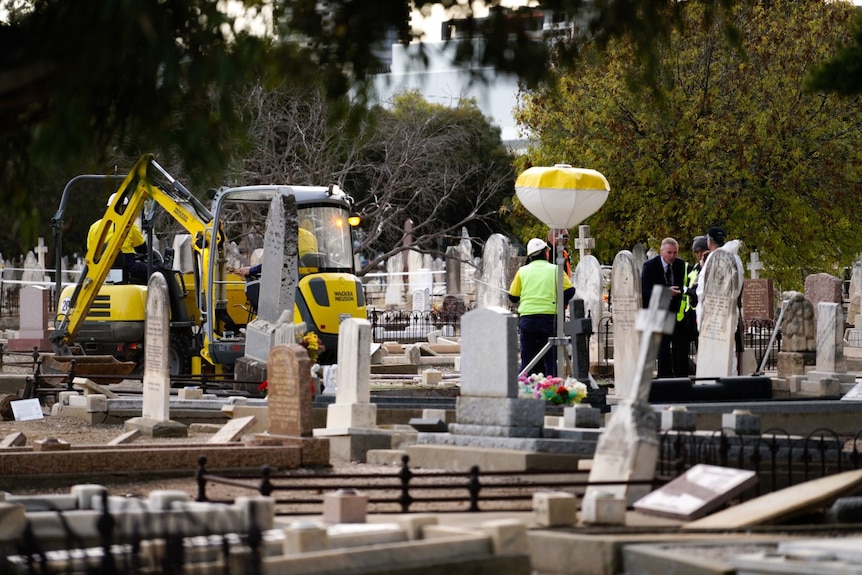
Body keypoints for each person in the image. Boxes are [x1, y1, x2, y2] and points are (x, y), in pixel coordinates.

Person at [508, 238, 575, 377]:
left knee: (527, 359)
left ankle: (524, 389)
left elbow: (513, 297)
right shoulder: (556, 270)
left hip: (528, 320)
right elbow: (569, 291)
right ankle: (553, 387)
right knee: (550, 359)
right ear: (546, 253)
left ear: (530, 255)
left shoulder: (522, 271)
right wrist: (558, 301)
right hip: (550, 319)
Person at [695, 225, 745, 374]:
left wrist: (701, 312)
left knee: (714, 353)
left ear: (709, 241)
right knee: (728, 352)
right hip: (727, 311)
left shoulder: (713, 258)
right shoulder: (735, 258)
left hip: (713, 312)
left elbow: (703, 289)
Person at [641, 237, 691, 378]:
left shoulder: (680, 265)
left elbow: (681, 286)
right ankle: (665, 377)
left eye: (675, 253)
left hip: (675, 312)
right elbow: (645, 291)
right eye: (669, 252)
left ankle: (681, 377)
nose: (672, 256)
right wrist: (666, 292)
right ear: (661, 251)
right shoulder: (650, 266)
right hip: (657, 312)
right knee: (663, 348)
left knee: (679, 347)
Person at [87, 193, 148, 282]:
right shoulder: (129, 226)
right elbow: (142, 248)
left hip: (99, 269)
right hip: (127, 267)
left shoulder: (94, 227)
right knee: (157, 271)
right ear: (121, 208)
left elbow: (90, 250)